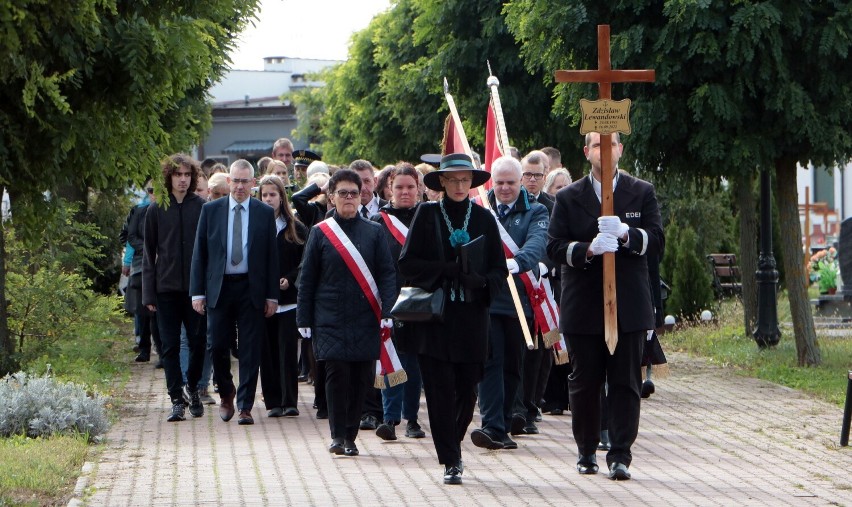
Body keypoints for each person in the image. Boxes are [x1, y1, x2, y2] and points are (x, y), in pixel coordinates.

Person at [546, 132, 664, 481]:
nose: (606, 151)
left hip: (628, 304)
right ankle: (586, 450)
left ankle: (621, 454)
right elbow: (553, 248)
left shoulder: (641, 191)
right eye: (598, 145)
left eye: (611, 144)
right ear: (587, 152)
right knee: (585, 381)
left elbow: (657, 241)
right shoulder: (568, 197)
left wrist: (628, 233)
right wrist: (588, 248)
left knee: (627, 382)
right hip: (584, 304)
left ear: (621, 149)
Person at [398, 153, 508, 485]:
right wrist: (444, 271)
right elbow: (407, 264)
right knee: (439, 391)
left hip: (472, 318)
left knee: (467, 390)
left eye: (465, 180)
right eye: (453, 180)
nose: (460, 186)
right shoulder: (428, 213)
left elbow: (499, 270)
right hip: (436, 320)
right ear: (442, 183)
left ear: (472, 183)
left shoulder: (485, 219)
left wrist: (482, 280)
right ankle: (451, 460)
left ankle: (452, 445)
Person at [297, 169, 397, 457]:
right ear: (331, 197)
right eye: (342, 193)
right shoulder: (320, 233)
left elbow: (387, 274)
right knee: (336, 375)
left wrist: (388, 310)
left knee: (360, 379)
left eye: (354, 192)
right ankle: (337, 435)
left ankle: (351, 436)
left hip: (366, 317)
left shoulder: (375, 231)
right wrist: (303, 319)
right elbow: (307, 278)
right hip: (329, 317)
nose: (349, 198)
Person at [190, 159, 279, 426]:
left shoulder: (263, 213)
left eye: (245, 181)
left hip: (251, 287)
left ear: (254, 184)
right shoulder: (211, 211)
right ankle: (226, 391)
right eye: (236, 181)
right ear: (228, 182)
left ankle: (245, 406)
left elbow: (271, 257)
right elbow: (200, 253)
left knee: (251, 349)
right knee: (218, 344)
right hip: (220, 287)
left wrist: (272, 295)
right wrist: (197, 292)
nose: (240, 186)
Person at [470, 156, 549, 451]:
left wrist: (516, 264)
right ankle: (491, 425)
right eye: (499, 182)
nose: (504, 188)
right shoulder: (480, 209)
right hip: (488, 300)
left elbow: (537, 244)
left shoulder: (536, 210)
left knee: (513, 366)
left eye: (510, 183)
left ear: (520, 183)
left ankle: (504, 424)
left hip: (519, 301)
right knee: (490, 362)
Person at [142, 154, 207, 422]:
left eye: (187, 175)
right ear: (168, 177)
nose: (183, 179)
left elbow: (208, 250)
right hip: (165, 288)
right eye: (178, 174)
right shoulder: (156, 210)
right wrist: (148, 292)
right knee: (168, 346)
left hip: (195, 289)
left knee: (198, 343)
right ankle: (176, 399)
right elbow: (148, 253)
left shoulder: (202, 207)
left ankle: (192, 385)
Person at [371, 163, 426, 441]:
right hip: (389, 300)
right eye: (399, 187)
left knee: (413, 362)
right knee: (390, 359)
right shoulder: (378, 222)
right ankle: (389, 419)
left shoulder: (427, 217)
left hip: (420, 301)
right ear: (389, 190)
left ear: (419, 189)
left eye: (410, 187)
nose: (405, 192)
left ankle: (413, 419)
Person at [257, 175, 307, 418]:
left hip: (288, 301)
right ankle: (273, 401)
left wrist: (289, 277)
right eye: (264, 195)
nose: (268, 199)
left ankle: (290, 400)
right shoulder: (254, 226)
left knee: (287, 351)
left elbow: (304, 262)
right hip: (263, 299)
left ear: (281, 197)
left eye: (273, 195)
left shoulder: (295, 228)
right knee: (267, 352)